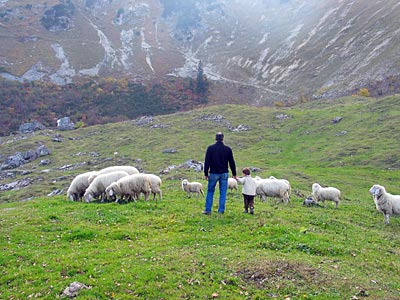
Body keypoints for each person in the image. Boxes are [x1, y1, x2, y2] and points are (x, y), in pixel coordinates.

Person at [203, 132, 237, 215]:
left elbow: (207, 162)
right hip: (224, 173)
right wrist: (234, 173)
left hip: (213, 173)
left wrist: (206, 173)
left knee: (210, 191)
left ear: (215, 138)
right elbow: (231, 162)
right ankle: (221, 210)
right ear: (223, 139)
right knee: (223, 192)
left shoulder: (210, 148)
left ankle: (208, 210)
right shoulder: (227, 149)